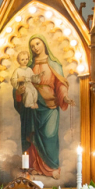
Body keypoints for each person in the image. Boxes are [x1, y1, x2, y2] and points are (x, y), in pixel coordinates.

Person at [15, 35, 74, 178]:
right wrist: (19, 92)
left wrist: (65, 97)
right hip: (33, 107)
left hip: (50, 106)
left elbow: (60, 84)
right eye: (32, 46)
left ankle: (52, 168)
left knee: (49, 135)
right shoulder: (28, 67)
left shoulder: (54, 64)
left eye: (37, 43)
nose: (35, 47)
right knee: (33, 136)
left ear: (44, 43)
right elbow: (19, 85)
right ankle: (35, 167)